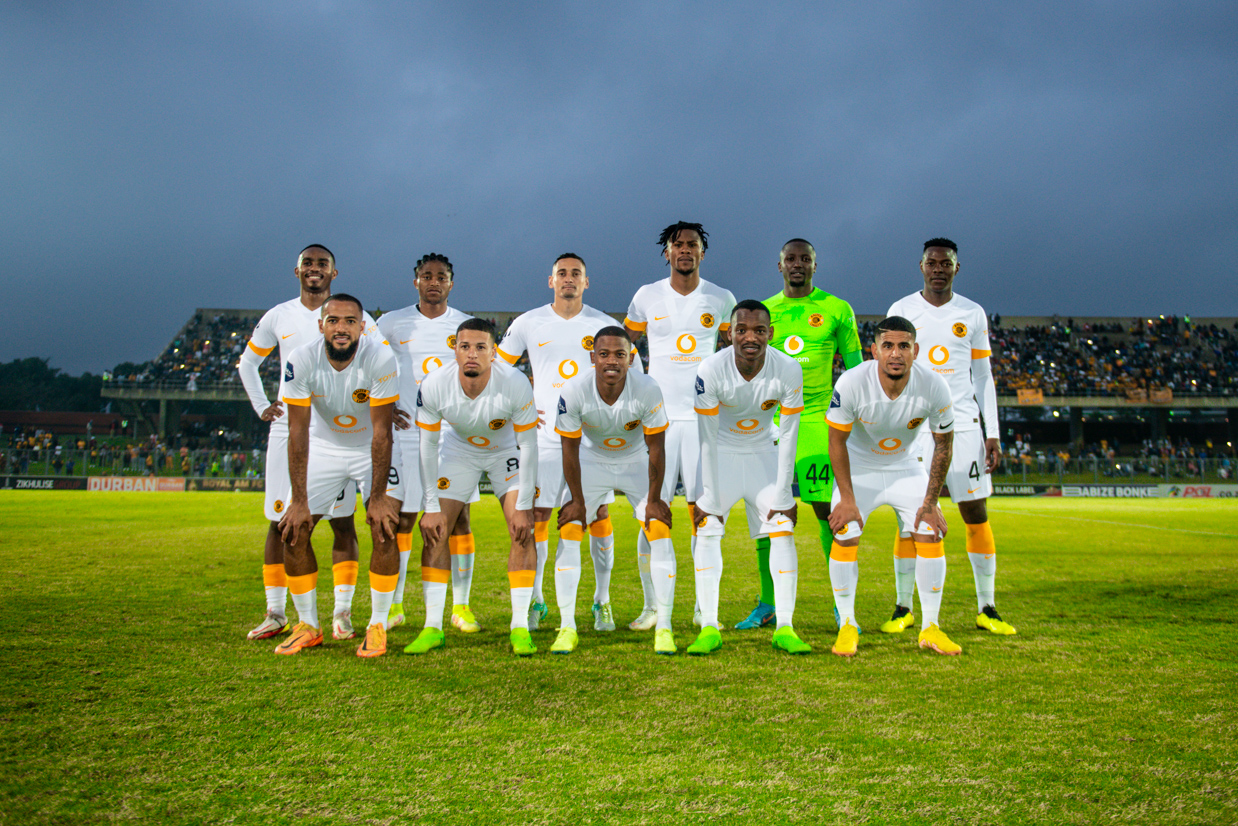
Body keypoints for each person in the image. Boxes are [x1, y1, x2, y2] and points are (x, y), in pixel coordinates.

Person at [238, 245, 379, 643]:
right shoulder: (278, 315)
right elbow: (248, 363)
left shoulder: (354, 317)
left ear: (334, 273)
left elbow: (381, 359)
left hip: (339, 432)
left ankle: (341, 613)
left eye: (322, 264)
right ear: (297, 270)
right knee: (281, 520)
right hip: (290, 427)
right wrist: (262, 406)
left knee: (342, 521)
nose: (315, 268)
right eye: (308, 263)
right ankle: (276, 612)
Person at [886, 239, 1015, 636]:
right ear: (921, 266)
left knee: (975, 513)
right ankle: (904, 608)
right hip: (917, 426)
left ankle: (987, 608)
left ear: (957, 268)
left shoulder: (972, 313)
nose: (938, 269)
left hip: (964, 426)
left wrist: (992, 432)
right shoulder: (902, 309)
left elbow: (983, 376)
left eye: (946, 263)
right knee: (911, 517)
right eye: (932, 263)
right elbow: (890, 369)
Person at [734, 238, 863, 631]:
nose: (797, 264)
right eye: (790, 259)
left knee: (827, 512)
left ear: (814, 265)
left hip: (815, 423)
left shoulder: (837, 309)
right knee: (765, 514)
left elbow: (857, 371)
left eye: (805, 259)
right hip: (768, 423)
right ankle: (767, 604)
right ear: (780, 265)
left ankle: (842, 606)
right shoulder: (764, 311)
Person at [497, 254, 623, 632]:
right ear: (551, 281)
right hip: (544, 439)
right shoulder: (528, 322)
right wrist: (517, 407)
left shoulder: (605, 325)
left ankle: (602, 600)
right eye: (562, 274)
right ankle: (537, 600)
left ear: (587, 282)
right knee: (537, 515)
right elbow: (498, 370)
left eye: (576, 274)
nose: (569, 279)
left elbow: (627, 375)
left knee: (597, 515)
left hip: (591, 440)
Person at [274, 293, 403, 658]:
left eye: (349, 321)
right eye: (333, 321)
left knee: (384, 526)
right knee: (294, 529)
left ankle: (377, 625)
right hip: (324, 447)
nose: (341, 328)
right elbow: (297, 432)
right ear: (321, 326)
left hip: (369, 447)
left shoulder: (379, 358)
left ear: (362, 327)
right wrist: (299, 501)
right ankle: (308, 625)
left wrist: (378, 497)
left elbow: (382, 433)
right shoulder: (301, 359)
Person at [624, 222, 736, 631]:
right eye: (678, 244)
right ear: (667, 253)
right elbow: (625, 348)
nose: (685, 249)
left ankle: (705, 609)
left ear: (702, 253)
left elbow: (735, 355)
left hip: (704, 422)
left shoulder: (721, 299)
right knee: (651, 512)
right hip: (659, 422)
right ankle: (652, 606)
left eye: (693, 244)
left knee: (705, 517)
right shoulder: (646, 296)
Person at [825, 316, 959, 657]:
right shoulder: (852, 382)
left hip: (905, 466)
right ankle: (847, 624)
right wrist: (847, 499)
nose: (896, 353)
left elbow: (943, 446)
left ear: (916, 350)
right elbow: (836, 442)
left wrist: (930, 503)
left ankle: (931, 626)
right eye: (888, 346)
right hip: (860, 468)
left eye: (903, 346)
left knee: (929, 529)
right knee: (846, 531)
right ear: (874, 351)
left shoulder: (934, 385)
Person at [407, 318, 541, 656]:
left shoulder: (515, 382)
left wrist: (524, 505)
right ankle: (432, 627)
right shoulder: (435, 383)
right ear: (454, 350)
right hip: (459, 452)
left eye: (481, 347)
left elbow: (529, 445)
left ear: (493, 352)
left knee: (522, 530)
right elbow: (427, 445)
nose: (472, 353)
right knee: (436, 529)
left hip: (505, 451)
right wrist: (430, 506)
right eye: (465, 346)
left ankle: (520, 627)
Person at [690, 300, 807, 656]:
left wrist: (784, 493)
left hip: (762, 454)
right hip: (721, 454)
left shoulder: (788, 369)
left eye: (759, 330)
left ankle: (785, 627)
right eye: (741, 330)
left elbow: (789, 434)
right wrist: (709, 493)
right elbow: (707, 437)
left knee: (782, 528)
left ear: (771, 333)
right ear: (729, 333)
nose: (750, 337)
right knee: (708, 528)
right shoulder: (710, 369)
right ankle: (709, 627)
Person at [377, 253, 482, 635]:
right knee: (403, 518)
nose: (433, 282)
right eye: (426, 276)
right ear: (416, 281)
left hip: (452, 437)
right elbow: (369, 364)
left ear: (451, 283)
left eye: (441, 276)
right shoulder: (390, 323)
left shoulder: (464, 325)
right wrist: (381, 405)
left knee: (459, 518)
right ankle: (395, 605)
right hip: (407, 435)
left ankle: (461, 607)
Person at [554, 326, 672, 653]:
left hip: (635, 460)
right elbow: (569, 449)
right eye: (604, 354)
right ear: (592, 357)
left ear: (631, 358)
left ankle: (664, 626)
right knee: (570, 528)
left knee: (659, 528)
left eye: (620, 354)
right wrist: (577, 501)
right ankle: (567, 626)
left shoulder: (647, 388)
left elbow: (657, 448)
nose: (611, 361)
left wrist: (654, 499)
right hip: (592, 460)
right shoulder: (574, 390)